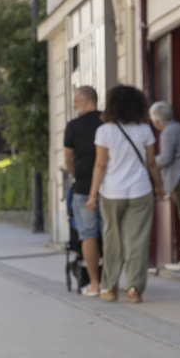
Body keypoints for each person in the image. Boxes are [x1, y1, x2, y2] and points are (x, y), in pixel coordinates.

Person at [87, 85, 164, 304]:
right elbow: (151, 163)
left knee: (112, 238)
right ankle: (134, 289)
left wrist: (92, 195)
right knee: (137, 240)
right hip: (140, 190)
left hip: (112, 192)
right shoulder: (145, 130)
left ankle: (110, 286)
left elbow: (101, 165)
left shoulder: (104, 131)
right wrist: (159, 187)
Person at [64, 85, 103, 296]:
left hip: (83, 188)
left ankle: (95, 284)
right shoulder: (107, 122)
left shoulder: (73, 126)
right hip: (108, 187)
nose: (73, 105)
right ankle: (111, 282)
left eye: (75, 101)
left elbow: (68, 158)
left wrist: (76, 175)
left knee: (88, 234)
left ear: (84, 101)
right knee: (110, 234)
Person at [150, 101, 180, 227]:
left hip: (177, 178)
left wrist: (150, 161)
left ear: (156, 121)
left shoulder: (167, 132)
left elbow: (166, 158)